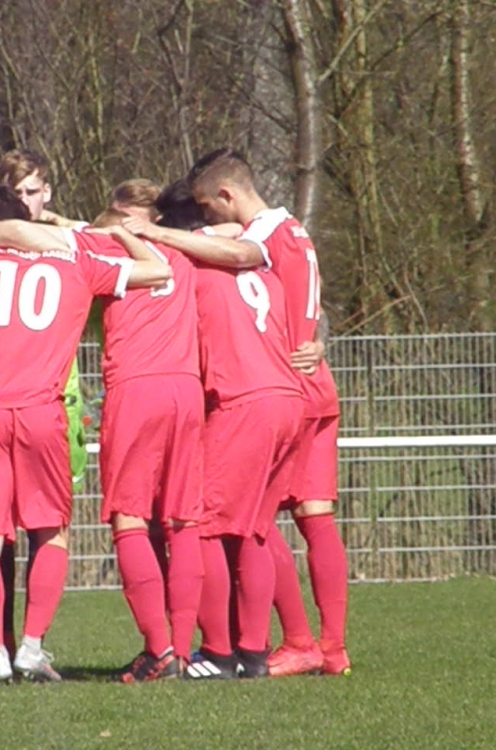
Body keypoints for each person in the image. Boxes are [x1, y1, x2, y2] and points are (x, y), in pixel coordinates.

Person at [0, 213, 172, 683]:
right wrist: (121, 234)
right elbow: (159, 270)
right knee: (51, 531)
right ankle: (31, 647)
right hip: (42, 413)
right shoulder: (82, 264)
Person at [125, 150, 351, 677]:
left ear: (226, 197)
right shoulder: (291, 232)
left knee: (236, 525)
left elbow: (234, 251)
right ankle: (327, 647)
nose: (209, 219)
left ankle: (258, 647)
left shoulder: (256, 237)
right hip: (308, 382)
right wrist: (317, 340)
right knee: (303, 520)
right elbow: (303, 300)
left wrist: (154, 234)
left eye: (210, 207)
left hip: (271, 386)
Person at [82, 208, 204, 682]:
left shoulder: (105, 252)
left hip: (136, 388)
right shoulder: (185, 251)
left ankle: (159, 649)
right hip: (186, 388)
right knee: (183, 519)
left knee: (129, 517)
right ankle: (184, 650)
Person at [0, 149, 88, 656]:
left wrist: (59, 223)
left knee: (47, 527)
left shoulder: (71, 244)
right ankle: (6, 644)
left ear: (48, 193)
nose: (25, 201)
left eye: (33, 192)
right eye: (16, 194)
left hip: (57, 404)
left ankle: (33, 644)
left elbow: (109, 235)